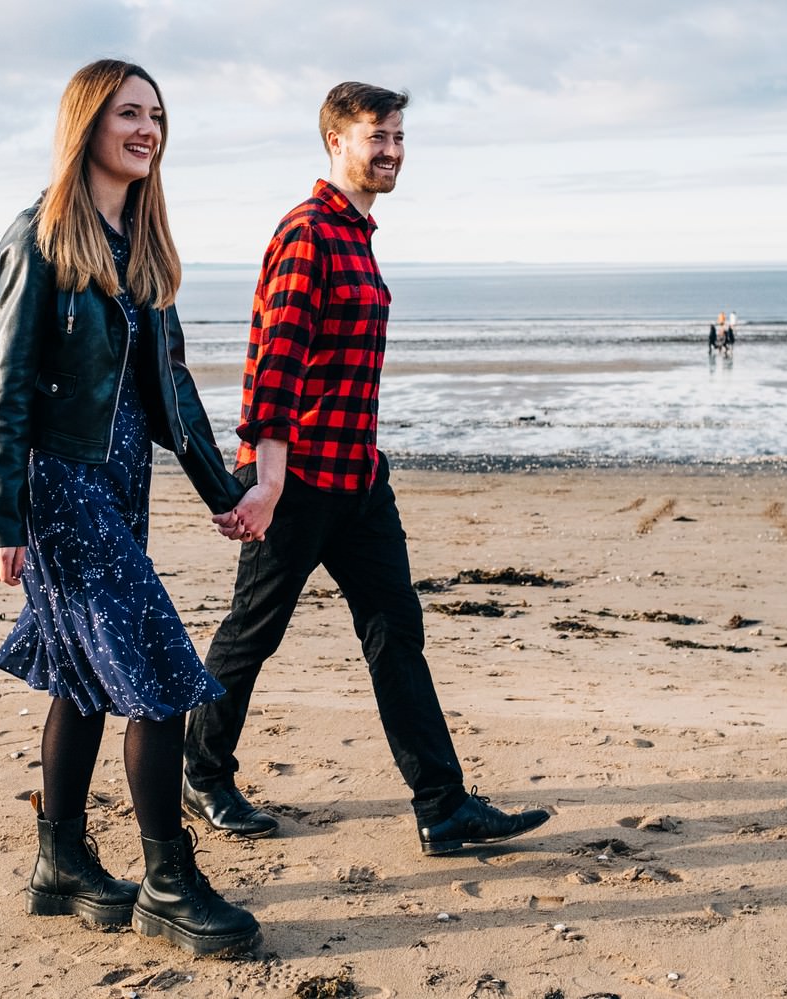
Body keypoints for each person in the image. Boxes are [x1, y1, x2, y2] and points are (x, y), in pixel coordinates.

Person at [184, 82, 550, 857]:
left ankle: (441, 805)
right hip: (298, 479)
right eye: (374, 137)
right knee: (253, 632)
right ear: (335, 142)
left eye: (397, 137)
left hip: (358, 479)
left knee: (396, 633)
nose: (390, 151)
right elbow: (274, 367)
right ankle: (201, 772)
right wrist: (269, 480)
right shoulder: (309, 231)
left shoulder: (358, 234)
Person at [0, 59, 258, 956]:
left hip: (121, 482)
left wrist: (226, 491)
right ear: (88, 123)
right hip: (60, 488)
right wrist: (3, 516)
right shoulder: (42, 237)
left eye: (157, 116)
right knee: (157, 671)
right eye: (129, 113)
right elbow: (8, 388)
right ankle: (169, 881)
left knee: (83, 677)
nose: (147, 129)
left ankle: (59, 863)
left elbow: (169, 387)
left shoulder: (137, 242)